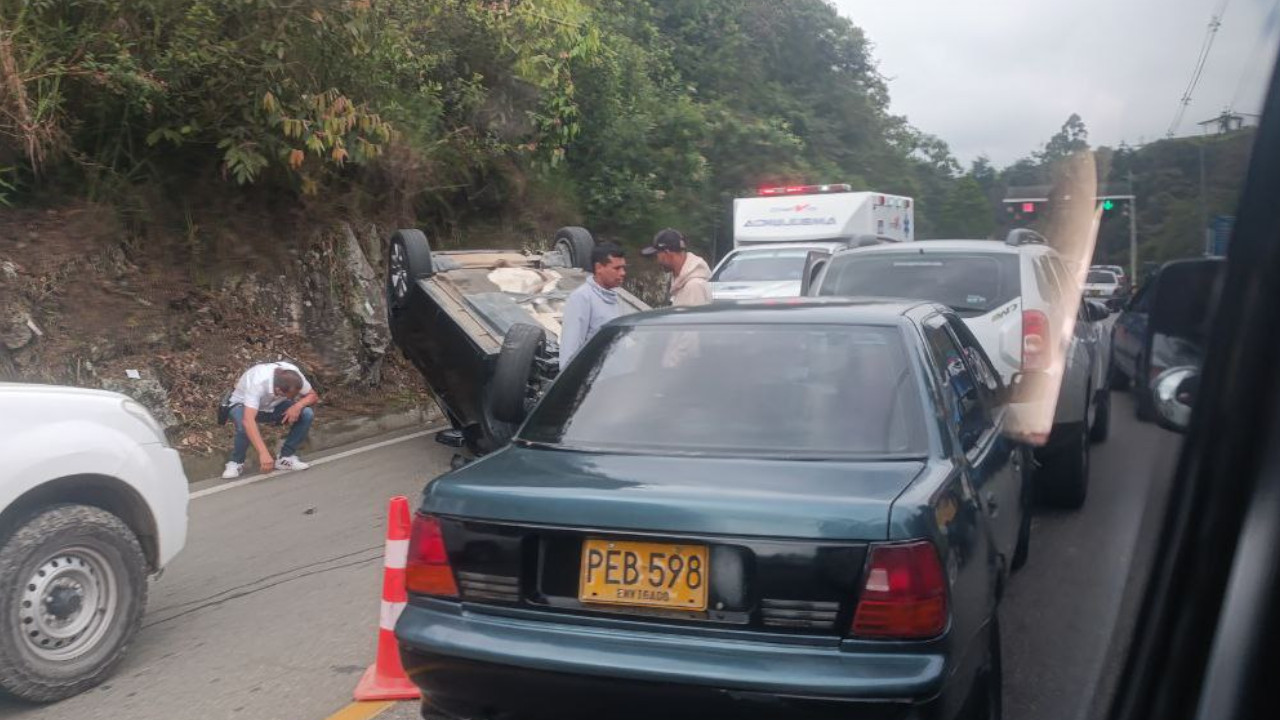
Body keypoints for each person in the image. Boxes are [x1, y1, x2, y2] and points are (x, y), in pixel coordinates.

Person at [221, 361, 320, 479]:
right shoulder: (258, 382)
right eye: (288, 396)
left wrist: (297, 406)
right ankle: (236, 462)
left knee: (306, 414)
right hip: (242, 406)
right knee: (244, 427)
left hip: (272, 407)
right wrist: (264, 453)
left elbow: (312, 395)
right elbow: (249, 421)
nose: (292, 398)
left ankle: (285, 458)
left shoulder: (294, 376)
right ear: (278, 390)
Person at [560, 243, 626, 369]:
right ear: (599, 268)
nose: (623, 273)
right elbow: (570, 348)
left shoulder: (616, 298)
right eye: (617, 268)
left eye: (623, 268)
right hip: (593, 380)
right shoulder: (581, 298)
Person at [641, 228, 713, 306]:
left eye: (657, 255)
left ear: (667, 253)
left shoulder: (694, 287)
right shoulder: (682, 283)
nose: (657, 261)